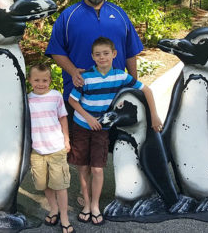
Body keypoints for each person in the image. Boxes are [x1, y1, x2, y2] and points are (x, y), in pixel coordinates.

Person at [67, 37, 162, 225]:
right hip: (82, 126)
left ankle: (95, 205)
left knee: (97, 168)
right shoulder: (85, 77)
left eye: (106, 53)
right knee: (83, 168)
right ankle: (86, 204)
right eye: (98, 54)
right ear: (92, 57)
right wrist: (88, 117)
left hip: (102, 129)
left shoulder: (120, 76)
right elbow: (72, 101)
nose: (102, 58)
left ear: (114, 54)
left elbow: (147, 90)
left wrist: (154, 115)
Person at [45, 0, 144, 123]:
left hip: (116, 98)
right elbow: (56, 50)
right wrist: (72, 71)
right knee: (80, 147)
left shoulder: (119, 14)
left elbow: (130, 51)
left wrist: (133, 90)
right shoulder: (68, 16)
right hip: (79, 97)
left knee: (116, 146)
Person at [27, 63, 75, 233]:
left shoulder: (56, 96)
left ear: (50, 80)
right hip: (37, 150)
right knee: (44, 183)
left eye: (45, 80)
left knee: (60, 185)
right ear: (30, 80)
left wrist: (67, 139)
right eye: (37, 80)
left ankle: (64, 217)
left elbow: (63, 118)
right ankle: (53, 209)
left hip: (56, 148)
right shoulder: (27, 99)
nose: (41, 83)